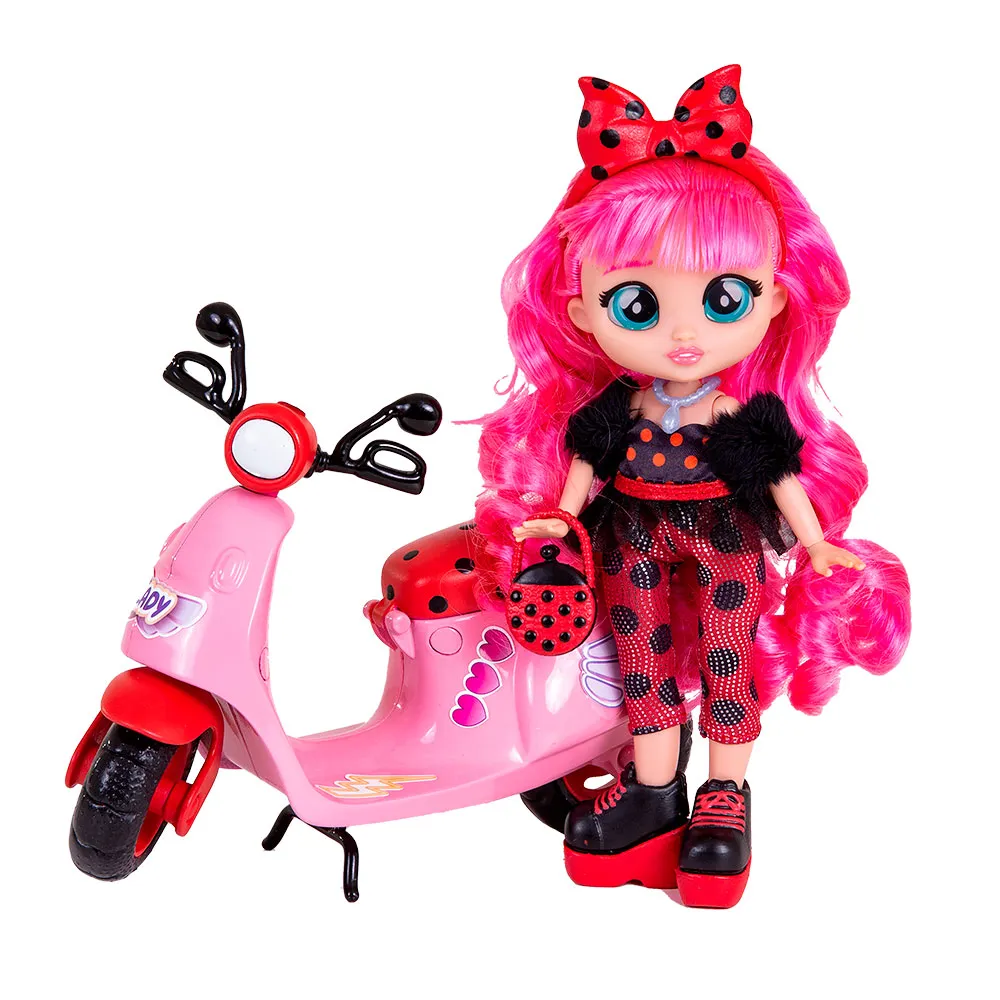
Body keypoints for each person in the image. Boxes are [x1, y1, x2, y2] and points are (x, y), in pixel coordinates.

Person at [474, 67, 911, 907]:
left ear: (773, 301)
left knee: (727, 656)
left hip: (724, 537)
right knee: (639, 658)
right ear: (581, 312)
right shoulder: (615, 410)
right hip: (630, 536)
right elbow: (584, 471)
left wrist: (815, 543)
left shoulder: (735, 414)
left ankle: (726, 796)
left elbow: (777, 477)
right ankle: (652, 793)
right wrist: (558, 519)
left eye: (724, 298)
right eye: (636, 304)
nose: (684, 331)